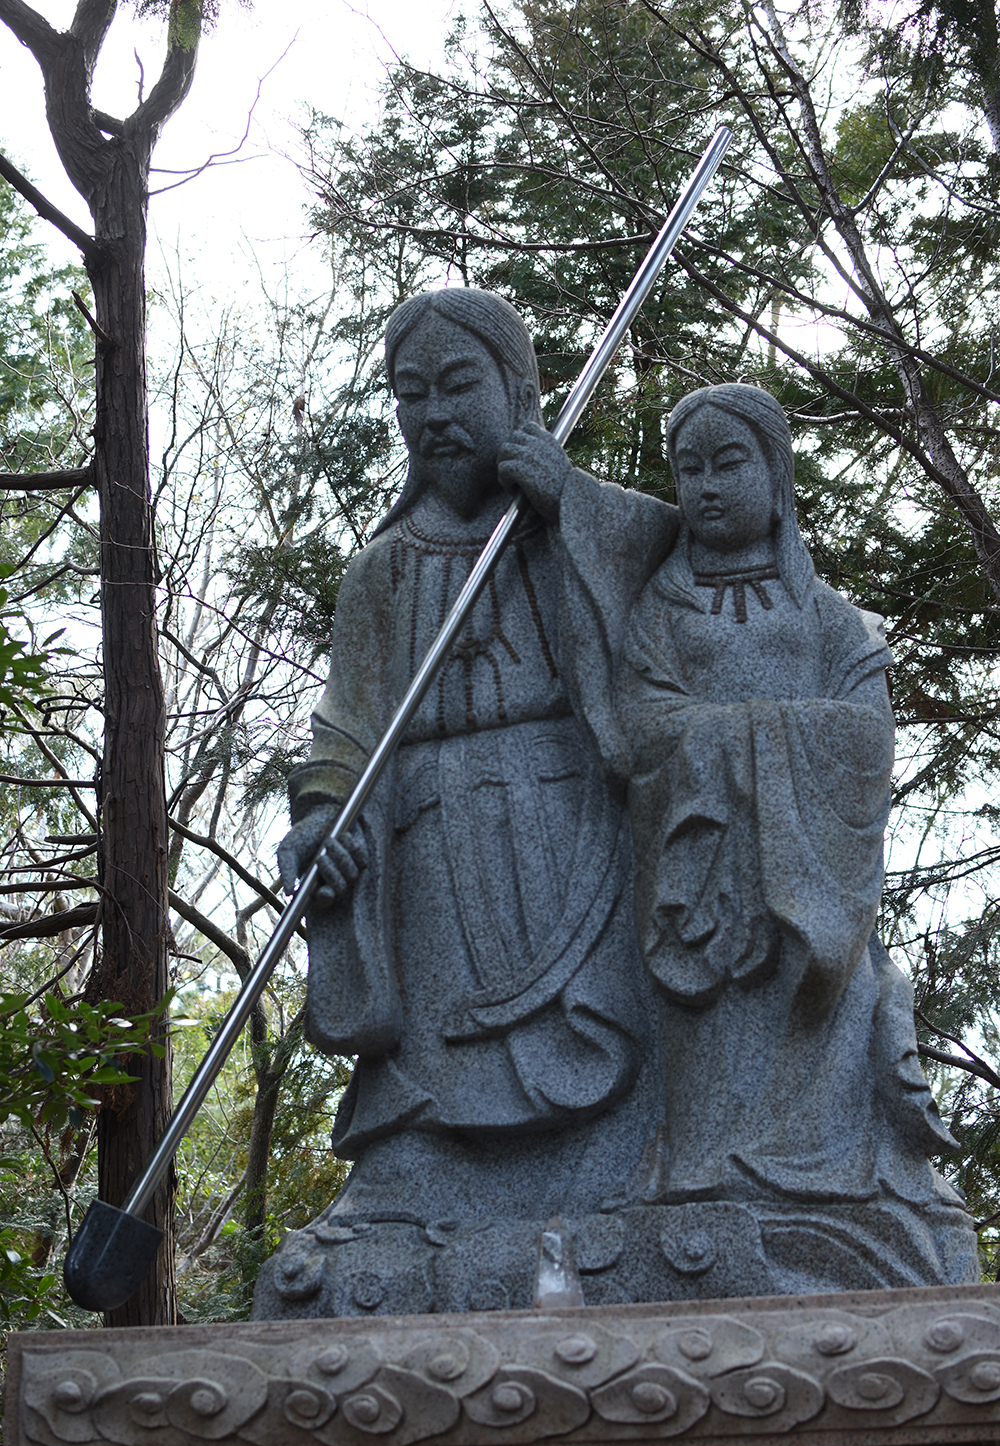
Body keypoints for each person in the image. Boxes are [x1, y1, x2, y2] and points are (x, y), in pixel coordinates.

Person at [500, 383, 979, 1291]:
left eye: (730, 463)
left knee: (820, 1023)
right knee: (708, 1042)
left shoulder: (827, 617)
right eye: (690, 468)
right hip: (703, 876)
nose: (707, 486)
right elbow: (642, 722)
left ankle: (839, 1184)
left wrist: (748, 735)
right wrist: (742, 742)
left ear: (775, 473)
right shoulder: (664, 612)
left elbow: (867, 734)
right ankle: (698, 1177)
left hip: (810, 888)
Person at [268, 290, 668, 1282]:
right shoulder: (381, 574)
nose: (435, 413)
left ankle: (617, 1171)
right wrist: (322, 813)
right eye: (412, 394)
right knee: (437, 1051)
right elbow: (344, 727)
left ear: (519, 389)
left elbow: (684, 587)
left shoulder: (572, 522)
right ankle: (413, 1183)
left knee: (599, 1021)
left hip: (568, 821)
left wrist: (569, 504)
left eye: (459, 385)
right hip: (430, 837)